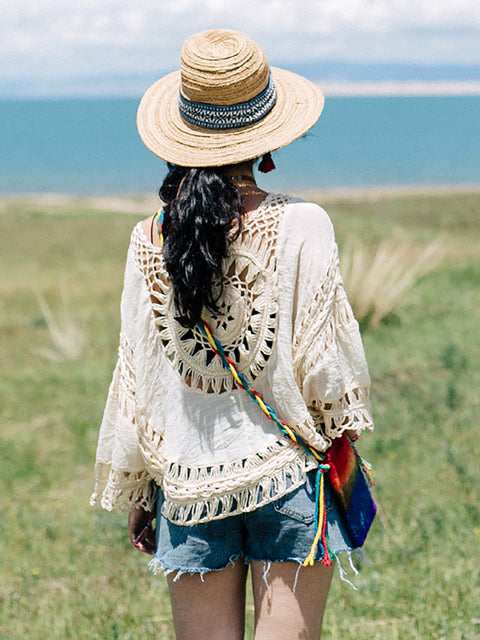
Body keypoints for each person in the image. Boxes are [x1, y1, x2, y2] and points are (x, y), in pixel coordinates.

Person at [91, 29, 374, 639]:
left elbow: (136, 379)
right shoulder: (304, 223)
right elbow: (325, 368)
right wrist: (339, 436)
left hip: (190, 486)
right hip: (291, 473)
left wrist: (142, 486)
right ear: (268, 137)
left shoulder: (150, 238)